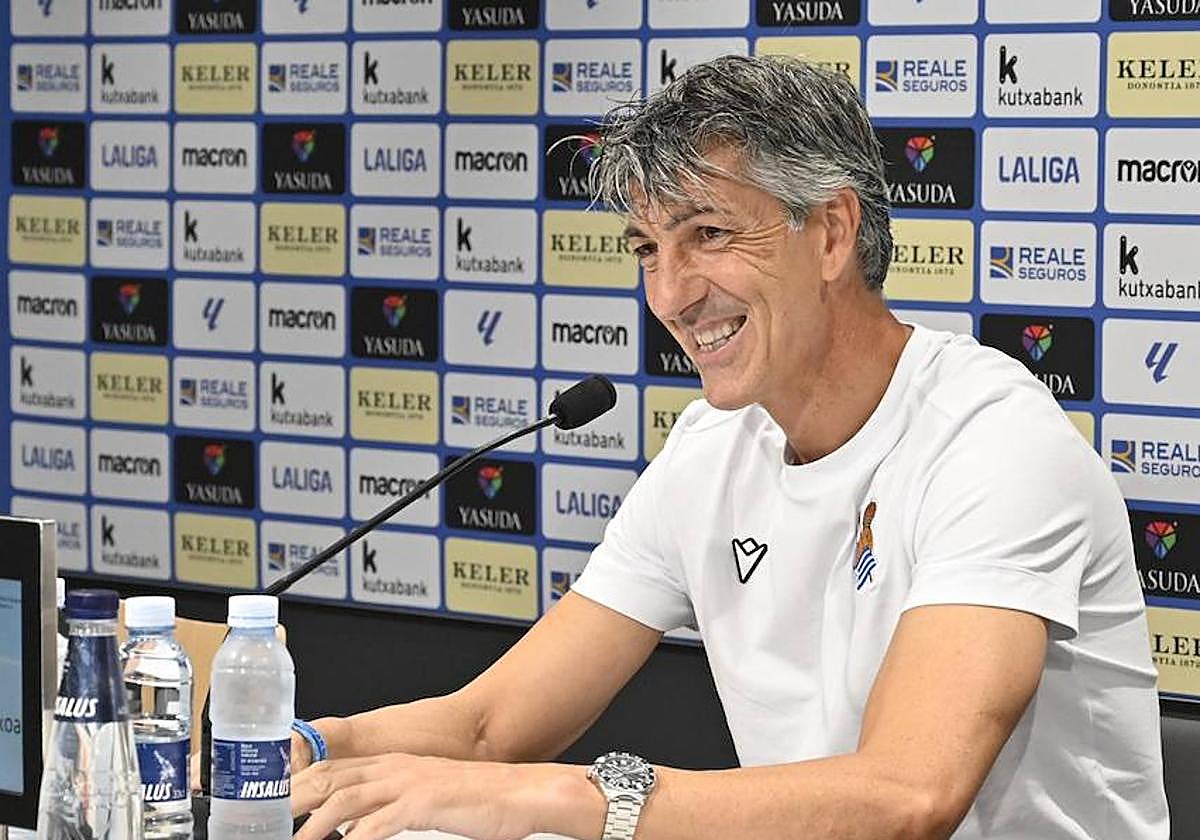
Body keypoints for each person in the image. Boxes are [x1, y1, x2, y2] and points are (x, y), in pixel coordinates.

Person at [289, 55, 1169, 840]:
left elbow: (906, 797)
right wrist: (309, 748)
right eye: (648, 249)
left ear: (832, 233)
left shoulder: (993, 440)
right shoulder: (708, 450)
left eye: (708, 235)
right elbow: (489, 727)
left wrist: (554, 799)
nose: (670, 295)